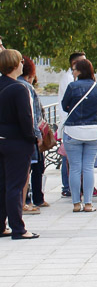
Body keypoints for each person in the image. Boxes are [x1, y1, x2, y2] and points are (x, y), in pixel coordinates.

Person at [0, 49, 39, 239]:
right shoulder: (19, 88)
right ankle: (18, 228)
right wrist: (32, 138)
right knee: (15, 186)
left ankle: (1, 225)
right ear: (16, 65)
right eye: (21, 61)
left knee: (2, 184)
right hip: (16, 142)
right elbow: (26, 118)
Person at [61, 58, 97, 212]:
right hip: (94, 130)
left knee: (75, 168)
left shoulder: (72, 86)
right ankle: (89, 203)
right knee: (88, 168)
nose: (72, 72)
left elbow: (65, 106)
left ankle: (76, 203)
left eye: (74, 69)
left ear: (79, 71)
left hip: (73, 130)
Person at [57, 51, 87, 198]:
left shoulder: (74, 79)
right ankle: (67, 186)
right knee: (68, 156)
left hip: (74, 123)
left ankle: (76, 186)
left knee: (72, 158)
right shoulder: (69, 80)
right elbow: (66, 103)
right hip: (70, 122)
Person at [18, 57, 45, 214]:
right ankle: (23, 203)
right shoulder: (25, 87)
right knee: (26, 171)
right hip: (25, 136)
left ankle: (24, 202)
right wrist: (37, 134)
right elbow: (33, 114)